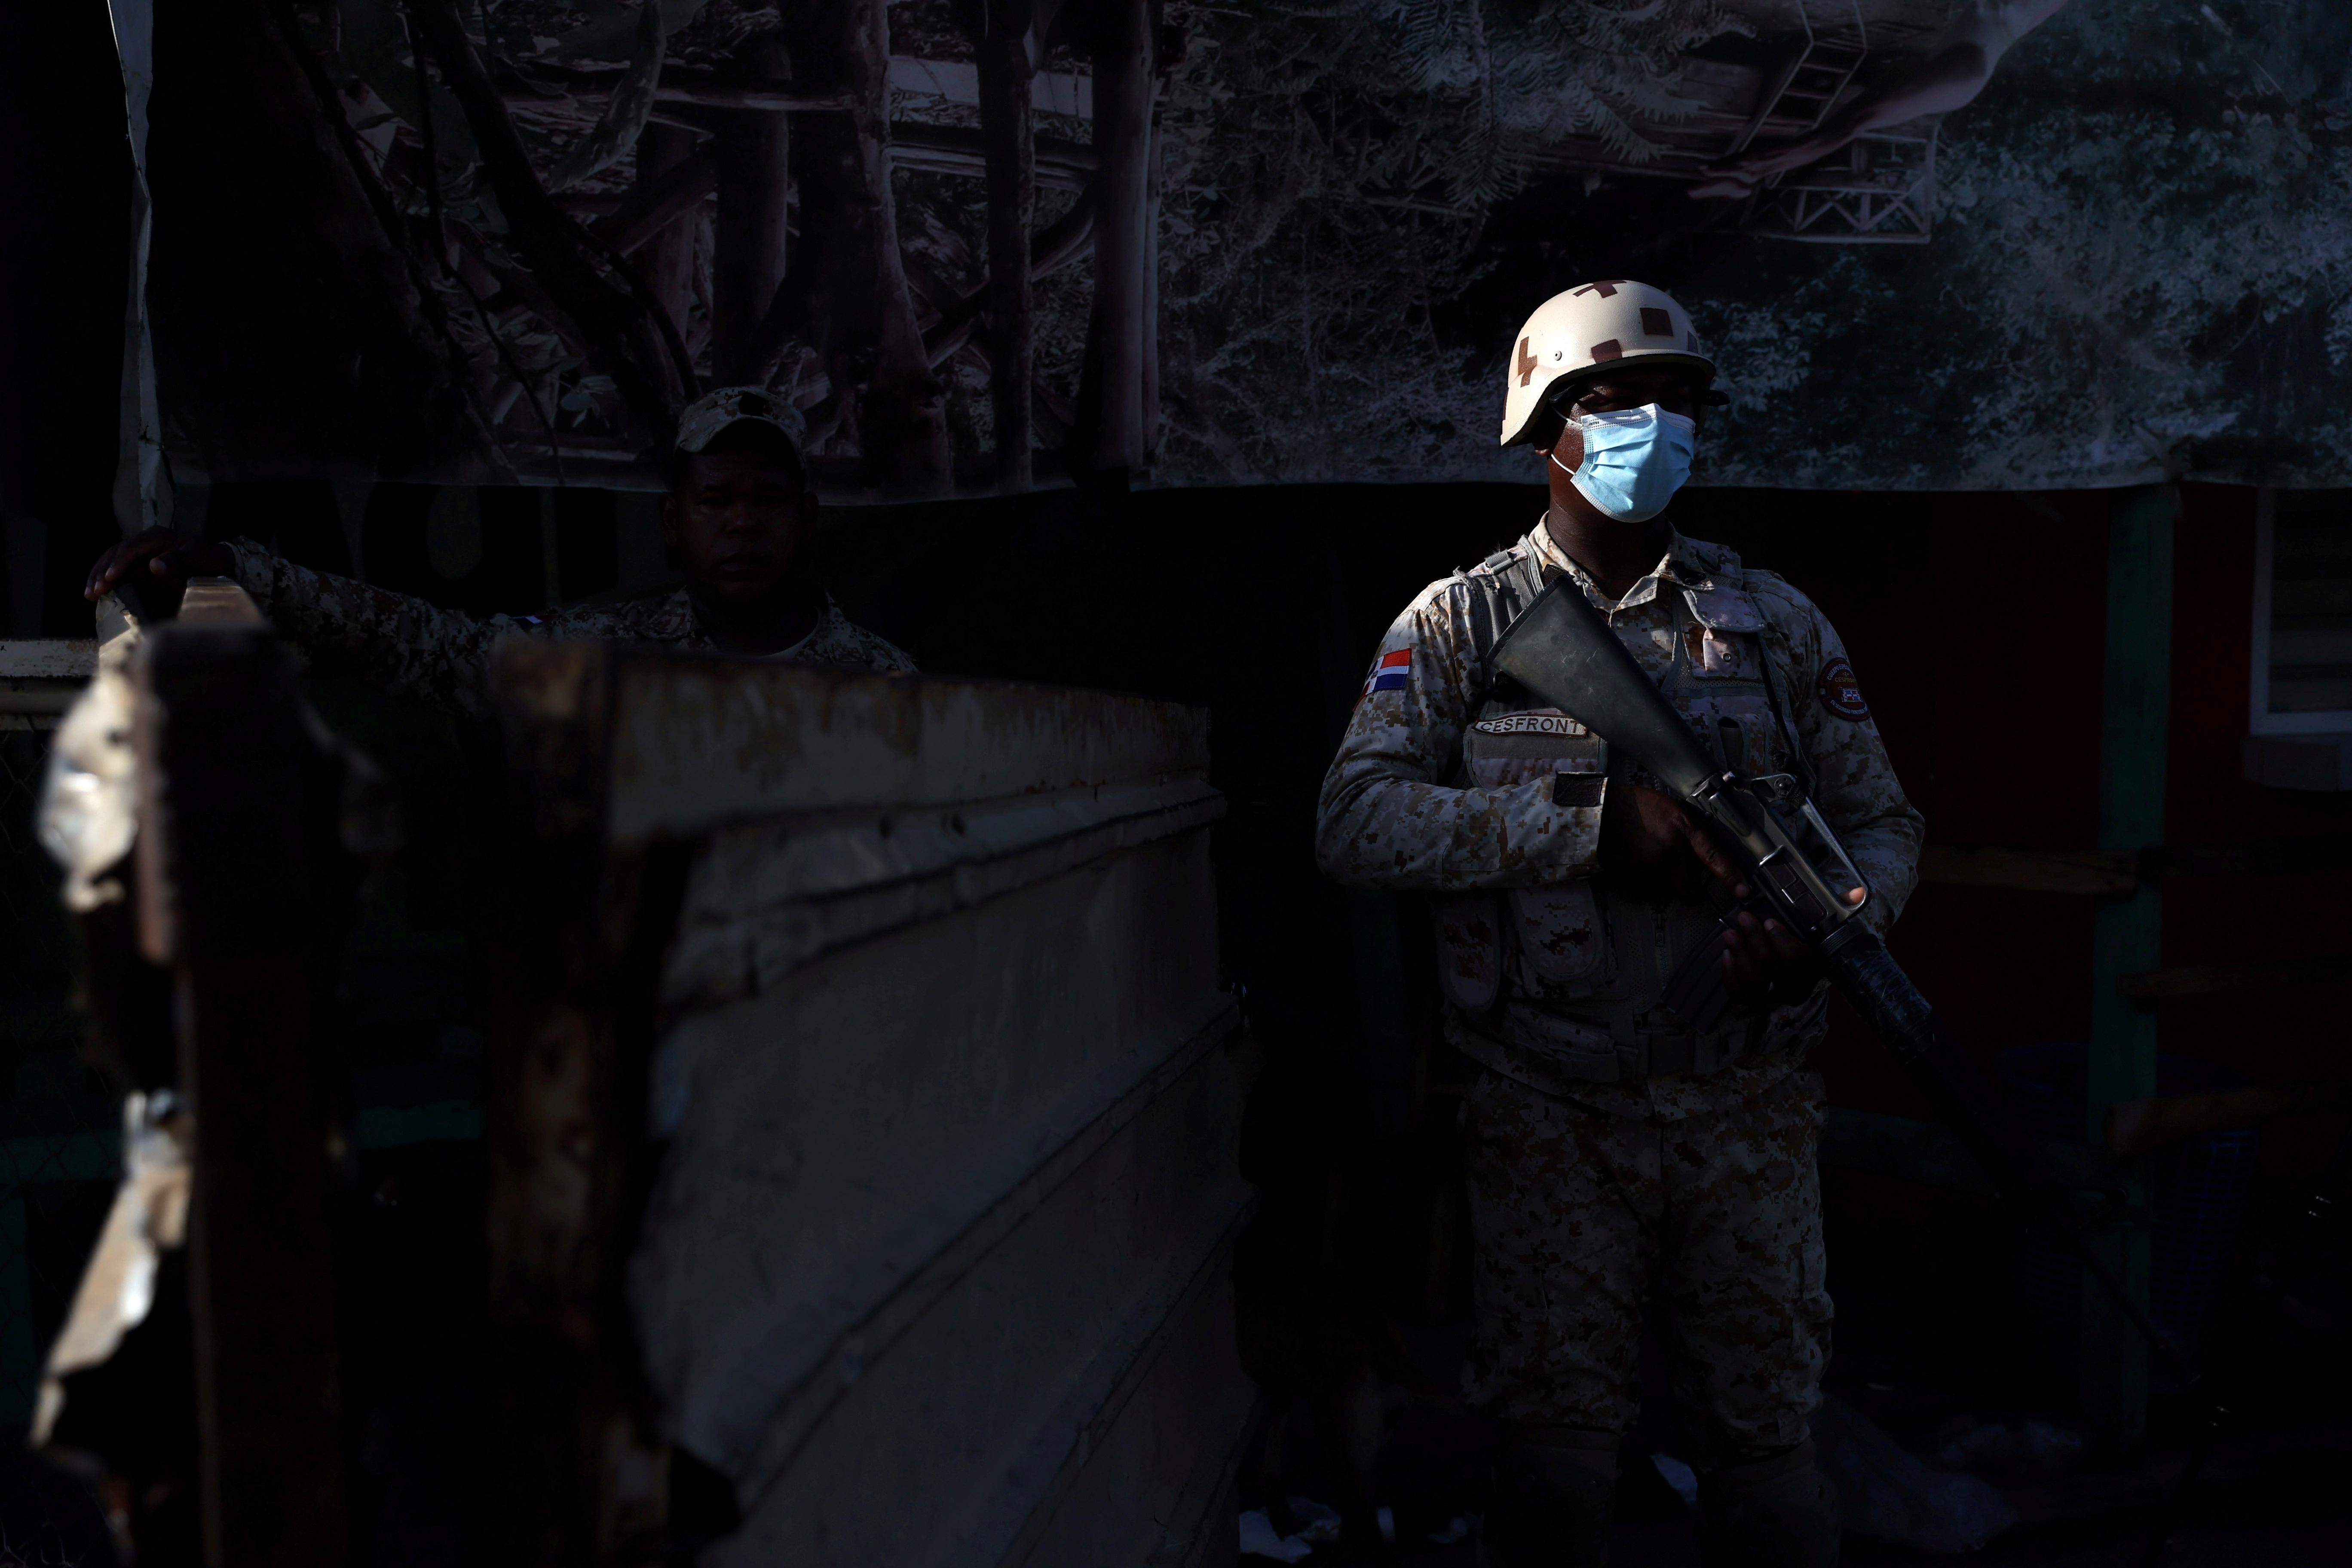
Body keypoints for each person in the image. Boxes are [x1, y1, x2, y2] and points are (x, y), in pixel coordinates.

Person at [1314, 281, 1923, 1567]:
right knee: (1555, 1468)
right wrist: (1594, 825)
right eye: (1617, 399)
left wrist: (1830, 925)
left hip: (1746, 1106)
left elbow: (1883, 824)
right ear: (1546, 425)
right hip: (1548, 1113)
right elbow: (1355, 824)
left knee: (1768, 1465)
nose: (1656, 421)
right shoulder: (1462, 625)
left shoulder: (1775, 624)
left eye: (1680, 400)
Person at [83, 386, 913, 717]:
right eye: (717, 501)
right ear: (672, 521)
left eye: (768, 501)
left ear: (806, 517)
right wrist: (247, 570)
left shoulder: (887, 686)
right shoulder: (612, 652)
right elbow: (438, 646)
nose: (743, 524)